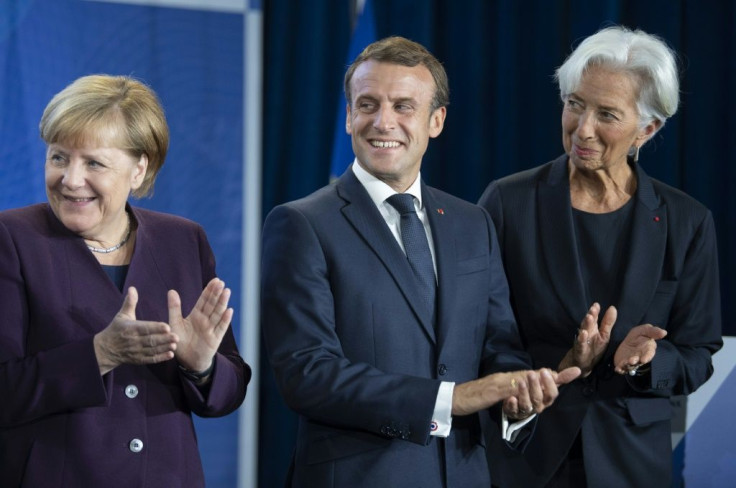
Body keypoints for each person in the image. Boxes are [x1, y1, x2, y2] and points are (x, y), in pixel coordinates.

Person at [261, 36, 580, 488]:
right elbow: (308, 374)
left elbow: (498, 344)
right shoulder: (301, 224)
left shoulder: (473, 223)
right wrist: (451, 399)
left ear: (436, 121)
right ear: (349, 115)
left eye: (403, 106)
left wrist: (515, 395)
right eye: (367, 104)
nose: (382, 121)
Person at [478, 26, 723, 488]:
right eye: (575, 104)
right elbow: (480, 332)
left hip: (631, 465)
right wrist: (544, 376)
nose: (582, 128)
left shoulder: (686, 221)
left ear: (647, 130)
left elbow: (698, 351)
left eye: (607, 113)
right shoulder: (507, 202)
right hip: (525, 456)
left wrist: (646, 361)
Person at [0, 74, 251, 487]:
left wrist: (202, 366)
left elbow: (227, 393)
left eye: (94, 162)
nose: (70, 179)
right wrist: (99, 354)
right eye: (59, 157)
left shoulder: (184, 240)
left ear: (139, 168)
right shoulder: (12, 239)